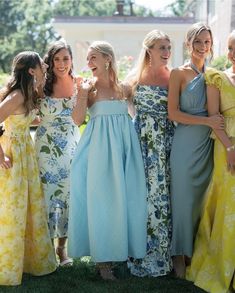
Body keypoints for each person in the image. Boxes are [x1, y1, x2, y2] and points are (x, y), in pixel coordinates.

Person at [68, 41, 147, 280]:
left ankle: (125, 252)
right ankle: (103, 263)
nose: (89, 62)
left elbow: (136, 116)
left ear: (107, 59)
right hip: (99, 152)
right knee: (102, 202)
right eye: (88, 58)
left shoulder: (125, 88)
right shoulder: (89, 90)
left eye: (93, 57)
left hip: (125, 150)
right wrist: (81, 94)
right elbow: (77, 119)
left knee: (127, 200)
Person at [167, 22, 224, 278]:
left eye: (207, 42)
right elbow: (173, 113)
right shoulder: (178, 74)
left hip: (208, 145)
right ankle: (179, 256)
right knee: (183, 200)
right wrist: (206, 121)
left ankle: (196, 255)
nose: (203, 47)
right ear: (188, 44)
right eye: (198, 42)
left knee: (202, 201)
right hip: (186, 143)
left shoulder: (214, 75)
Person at [0, 51, 56, 286]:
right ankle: (8, 266)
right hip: (12, 154)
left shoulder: (31, 92)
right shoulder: (16, 95)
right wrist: (0, 154)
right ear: (31, 70)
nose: (45, 64)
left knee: (29, 207)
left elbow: (26, 119)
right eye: (40, 64)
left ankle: (29, 262)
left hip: (27, 154)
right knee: (12, 209)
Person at [186, 31, 235, 293]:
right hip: (225, 144)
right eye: (230, 47)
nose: (233, 53)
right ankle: (222, 264)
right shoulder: (216, 78)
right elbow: (214, 117)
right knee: (228, 200)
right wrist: (229, 147)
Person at [126, 30, 174, 277]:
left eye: (168, 47)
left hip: (166, 142)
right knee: (141, 195)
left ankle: (163, 253)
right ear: (149, 50)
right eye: (161, 48)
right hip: (141, 142)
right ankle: (138, 250)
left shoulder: (173, 77)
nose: (166, 52)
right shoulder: (134, 78)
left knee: (162, 195)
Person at [34, 41, 81, 266]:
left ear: (72, 60)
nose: (62, 64)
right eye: (57, 59)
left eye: (66, 58)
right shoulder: (41, 85)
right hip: (45, 146)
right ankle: (45, 249)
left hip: (71, 147)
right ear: (50, 62)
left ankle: (62, 250)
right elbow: (27, 111)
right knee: (46, 193)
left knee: (68, 195)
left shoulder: (80, 83)